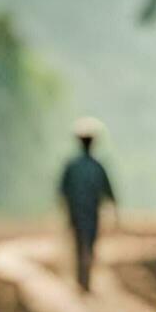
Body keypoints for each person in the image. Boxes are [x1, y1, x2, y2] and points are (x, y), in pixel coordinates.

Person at [58, 117, 117, 292]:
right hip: (91, 213)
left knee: (79, 244)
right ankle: (85, 278)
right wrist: (115, 209)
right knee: (89, 244)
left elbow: (62, 191)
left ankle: (81, 278)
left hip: (76, 213)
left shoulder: (72, 166)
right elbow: (108, 191)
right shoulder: (97, 166)